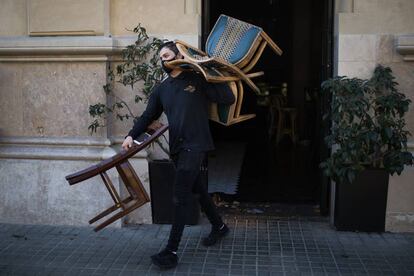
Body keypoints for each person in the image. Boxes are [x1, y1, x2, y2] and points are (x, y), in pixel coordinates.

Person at [122, 41, 235, 269]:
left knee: (180, 193)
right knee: (197, 189)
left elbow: (227, 98)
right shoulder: (162, 89)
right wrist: (130, 135)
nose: (164, 60)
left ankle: (171, 251)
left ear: (178, 55)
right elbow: (147, 117)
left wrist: (212, 69)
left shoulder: (197, 78)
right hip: (178, 147)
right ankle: (219, 226)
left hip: (197, 144)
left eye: (167, 55)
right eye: (161, 58)